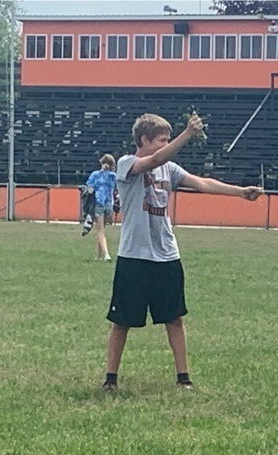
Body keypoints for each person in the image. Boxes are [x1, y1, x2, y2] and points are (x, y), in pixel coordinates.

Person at [102, 112, 263, 391]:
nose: (166, 144)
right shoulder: (127, 164)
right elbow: (153, 160)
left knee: (174, 318)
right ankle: (110, 379)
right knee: (121, 321)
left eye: (168, 139)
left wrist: (239, 192)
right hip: (134, 256)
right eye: (162, 139)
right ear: (144, 139)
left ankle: (183, 377)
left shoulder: (171, 170)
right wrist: (187, 134)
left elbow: (201, 183)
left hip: (166, 255)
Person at [85, 153, 118, 261]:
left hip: (99, 203)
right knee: (103, 229)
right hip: (110, 204)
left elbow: (89, 188)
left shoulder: (95, 174)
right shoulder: (113, 176)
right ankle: (98, 256)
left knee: (100, 231)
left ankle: (106, 254)